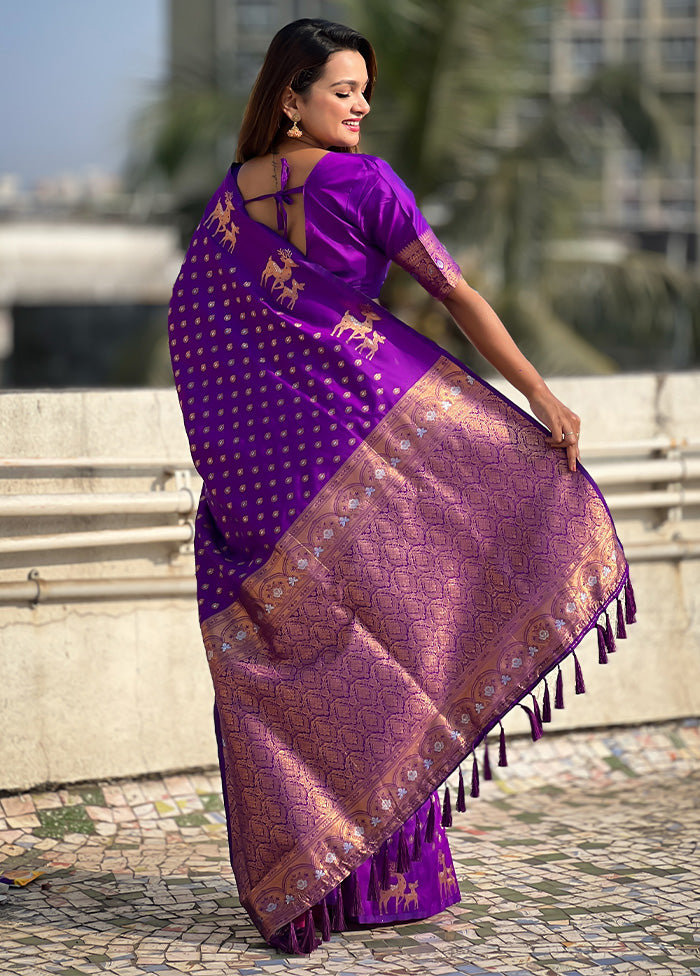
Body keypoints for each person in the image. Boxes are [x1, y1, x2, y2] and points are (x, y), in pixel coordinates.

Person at [168, 18, 635, 955]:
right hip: (367, 456)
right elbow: (454, 293)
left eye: (365, 91)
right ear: (290, 97)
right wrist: (536, 393)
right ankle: (381, 879)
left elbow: (194, 333)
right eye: (343, 90)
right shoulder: (365, 183)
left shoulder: (233, 200)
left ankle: (318, 882)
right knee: (397, 643)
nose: (362, 106)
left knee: (319, 660)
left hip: (269, 479)